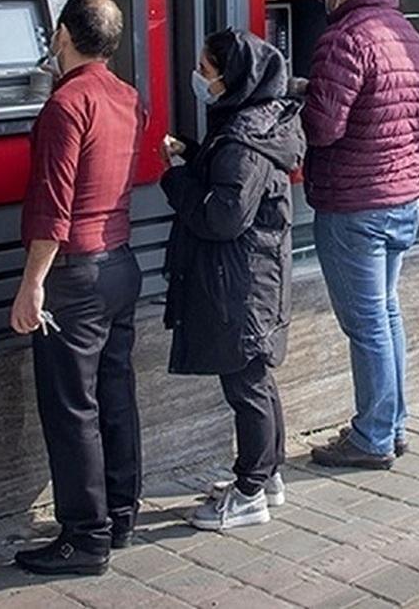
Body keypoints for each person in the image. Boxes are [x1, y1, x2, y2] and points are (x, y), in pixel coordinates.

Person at [10, 0, 145, 576]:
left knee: (71, 409)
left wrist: (31, 285)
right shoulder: (126, 97)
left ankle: (84, 539)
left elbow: (52, 208)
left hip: (74, 275)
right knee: (114, 395)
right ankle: (119, 514)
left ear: (61, 33)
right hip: (120, 265)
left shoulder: (66, 105)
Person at [160, 30, 305, 530]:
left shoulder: (245, 137)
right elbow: (232, 183)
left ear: (233, 75)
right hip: (252, 274)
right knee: (257, 380)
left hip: (241, 282)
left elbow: (223, 216)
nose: (200, 77)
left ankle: (248, 493)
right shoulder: (256, 124)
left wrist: (176, 179)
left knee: (246, 384)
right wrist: (196, 153)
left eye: (206, 68)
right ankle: (267, 477)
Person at [302, 0, 419, 470]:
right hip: (404, 197)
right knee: (386, 313)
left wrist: (298, 101)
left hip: (356, 204)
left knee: (369, 323)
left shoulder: (345, 38)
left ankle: (372, 436)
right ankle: (393, 424)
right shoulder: (408, 33)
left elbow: (323, 127)